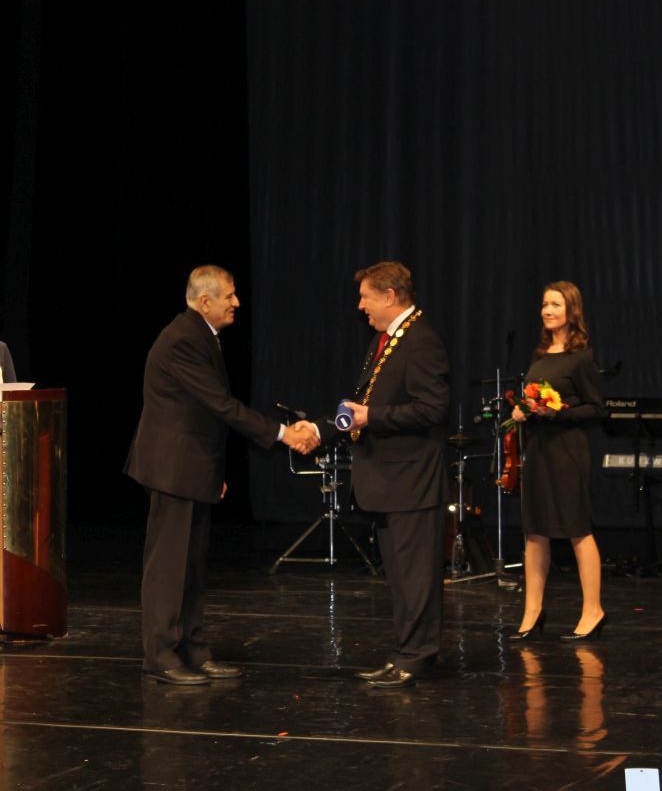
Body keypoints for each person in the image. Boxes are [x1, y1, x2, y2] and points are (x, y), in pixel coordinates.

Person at [126, 265, 318, 686]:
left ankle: (193, 651)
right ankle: (161, 656)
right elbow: (220, 404)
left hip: (191, 467)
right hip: (172, 469)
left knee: (192, 566)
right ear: (204, 300)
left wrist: (212, 470)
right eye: (229, 296)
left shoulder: (202, 335)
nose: (236, 303)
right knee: (169, 567)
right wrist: (284, 433)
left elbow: (202, 413)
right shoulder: (183, 339)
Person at [318, 261, 451, 688]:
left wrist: (371, 417)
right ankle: (404, 654)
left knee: (416, 577)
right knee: (401, 577)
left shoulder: (421, 340)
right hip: (391, 481)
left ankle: (416, 657)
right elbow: (366, 400)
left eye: (366, 297)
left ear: (390, 296)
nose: (361, 306)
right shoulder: (388, 339)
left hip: (412, 480)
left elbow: (433, 408)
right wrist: (323, 427)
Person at [508, 281, 606, 642]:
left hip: (566, 451)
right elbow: (533, 401)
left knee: (577, 528)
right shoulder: (540, 355)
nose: (547, 311)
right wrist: (523, 410)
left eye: (555, 305)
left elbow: (596, 408)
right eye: (544, 304)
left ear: (571, 311)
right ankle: (532, 612)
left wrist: (557, 412)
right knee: (535, 531)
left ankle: (593, 610)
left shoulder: (580, 358)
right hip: (538, 450)